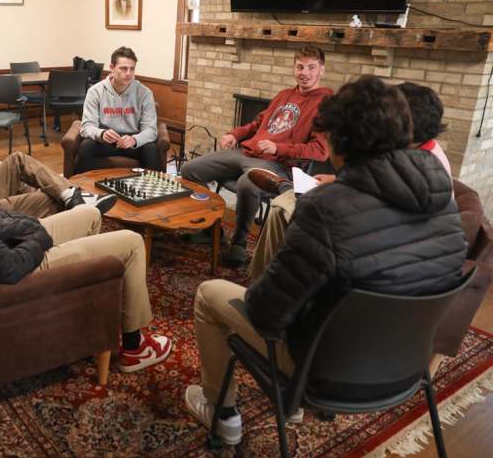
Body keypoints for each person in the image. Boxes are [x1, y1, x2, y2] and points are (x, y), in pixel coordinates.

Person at [184, 75, 466, 445]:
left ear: (342, 142)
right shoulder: (445, 200)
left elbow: (266, 314)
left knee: (209, 294)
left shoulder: (325, 209)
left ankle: (221, 414)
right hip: (406, 369)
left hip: (327, 371)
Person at [0, 92, 171, 371]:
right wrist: (38, 235)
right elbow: (7, 268)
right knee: (132, 241)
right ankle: (135, 348)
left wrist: (22, 225)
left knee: (88, 213)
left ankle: (85, 313)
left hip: (7, 241)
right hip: (21, 266)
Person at [246, 81, 453, 280]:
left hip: (365, 246)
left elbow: (377, 206)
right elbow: (384, 186)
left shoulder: (410, 164)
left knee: (283, 206)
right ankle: (284, 191)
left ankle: (261, 276)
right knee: (285, 204)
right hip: (390, 264)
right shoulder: (426, 162)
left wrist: (337, 188)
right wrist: (338, 180)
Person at [181, 45, 331, 266]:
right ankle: (209, 230)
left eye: (311, 67)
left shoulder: (326, 102)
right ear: (294, 68)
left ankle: (238, 245)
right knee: (189, 169)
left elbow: (320, 150)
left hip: (280, 166)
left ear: (321, 71)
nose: (304, 73)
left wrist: (279, 149)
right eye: (300, 66)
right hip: (247, 152)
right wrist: (234, 134)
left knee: (247, 183)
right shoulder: (284, 95)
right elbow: (257, 124)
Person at [78, 47, 162, 173]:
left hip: (132, 142)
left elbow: (151, 129)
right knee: (86, 146)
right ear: (112, 68)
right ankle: (82, 187)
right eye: (123, 68)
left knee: (150, 149)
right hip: (105, 141)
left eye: (132, 69)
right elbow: (87, 126)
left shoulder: (145, 93)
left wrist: (135, 139)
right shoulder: (95, 91)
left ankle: (154, 190)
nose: (128, 73)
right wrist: (101, 134)